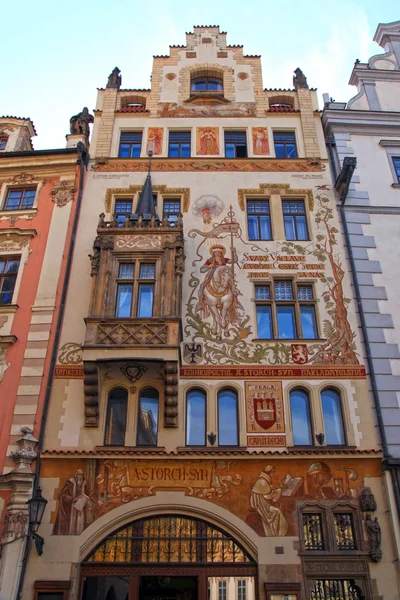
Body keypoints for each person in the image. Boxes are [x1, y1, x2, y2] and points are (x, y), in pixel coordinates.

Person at [54, 469, 101, 535]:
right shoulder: (70, 482)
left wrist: (97, 501)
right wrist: (73, 499)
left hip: (81, 508)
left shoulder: (85, 482)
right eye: (79, 474)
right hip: (71, 509)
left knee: (80, 524)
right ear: (76, 474)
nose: (80, 476)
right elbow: (61, 495)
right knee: (72, 525)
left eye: (82, 475)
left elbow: (90, 492)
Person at [250, 465, 288, 536]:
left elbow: (269, 488)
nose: (273, 473)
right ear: (269, 472)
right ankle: (277, 534)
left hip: (264, 505)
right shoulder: (262, 482)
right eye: (273, 471)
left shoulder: (263, 481)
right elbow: (268, 496)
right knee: (277, 511)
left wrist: (277, 487)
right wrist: (279, 490)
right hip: (262, 507)